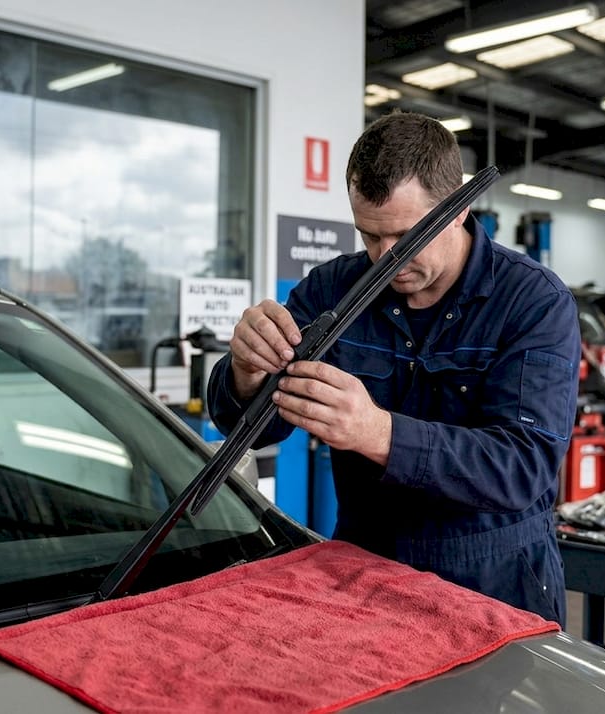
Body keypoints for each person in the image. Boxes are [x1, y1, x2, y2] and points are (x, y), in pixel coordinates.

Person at [206, 111, 580, 625]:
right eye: (369, 236)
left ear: (458, 209)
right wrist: (246, 373)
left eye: (405, 237)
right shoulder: (332, 291)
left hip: (494, 582)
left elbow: (523, 467)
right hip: (365, 571)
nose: (385, 258)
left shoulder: (533, 302)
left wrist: (376, 431)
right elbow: (256, 428)